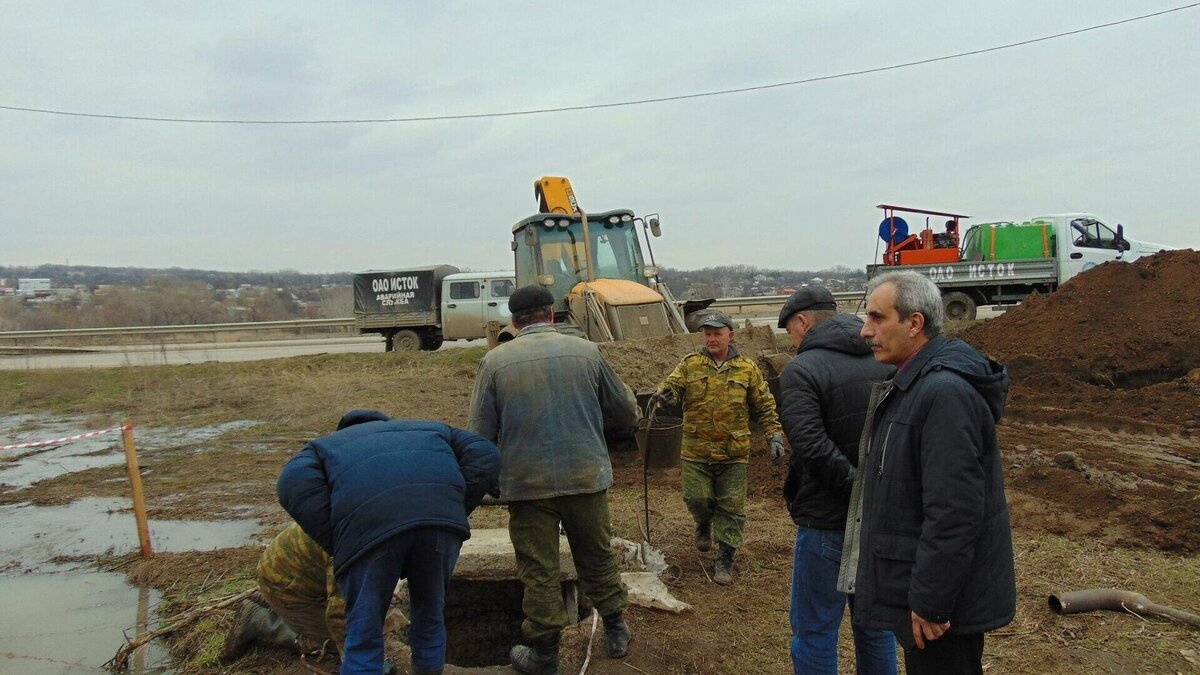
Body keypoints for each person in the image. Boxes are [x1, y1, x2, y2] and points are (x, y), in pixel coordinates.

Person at [840, 271, 1015, 675]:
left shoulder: (944, 393)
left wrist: (931, 601)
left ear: (914, 323)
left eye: (877, 318)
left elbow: (954, 511)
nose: (866, 331)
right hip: (924, 595)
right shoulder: (911, 384)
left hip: (942, 612)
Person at [468, 285, 638, 675]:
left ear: (514, 322)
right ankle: (615, 629)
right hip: (586, 475)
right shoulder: (588, 353)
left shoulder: (494, 363)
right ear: (551, 314)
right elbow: (626, 411)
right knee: (596, 554)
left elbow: (479, 434)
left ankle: (545, 653)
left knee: (539, 568)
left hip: (527, 485)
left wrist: (487, 478)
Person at [277, 410, 501, 675]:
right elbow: (485, 452)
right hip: (440, 528)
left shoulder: (324, 446)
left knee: (363, 633)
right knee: (430, 615)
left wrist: (340, 537)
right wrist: (453, 507)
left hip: (370, 532)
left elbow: (291, 482)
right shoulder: (430, 428)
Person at [776, 286, 897, 674]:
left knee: (815, 632)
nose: (793, 341)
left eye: (790, 331)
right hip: (880, 519)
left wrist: (856, 493)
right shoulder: (884, 360)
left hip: (827, 521)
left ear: (803, 322)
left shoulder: (802, 370)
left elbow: (810, 447)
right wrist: (875, 496)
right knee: (876, 628)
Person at [652, 310, 785, 586]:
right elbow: (673, 384)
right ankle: (703, 522)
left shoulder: (747, 369)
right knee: (696, 498)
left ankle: (725, 558)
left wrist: (774, 435)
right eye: (707, 333)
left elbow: (765, 405)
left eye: (717, 333)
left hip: (733, 452)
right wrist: (666, 393)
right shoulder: (690, 364)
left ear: (730, 335)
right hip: (696, 450)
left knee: (732, 507)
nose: (711, 338)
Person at [222, 523, 347, 663]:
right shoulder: (355, 548)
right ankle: (258, 619)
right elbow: (338, 614)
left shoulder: (363, 524)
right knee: (338, 641)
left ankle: (268, 601)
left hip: (298, 574)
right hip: (284, 583)